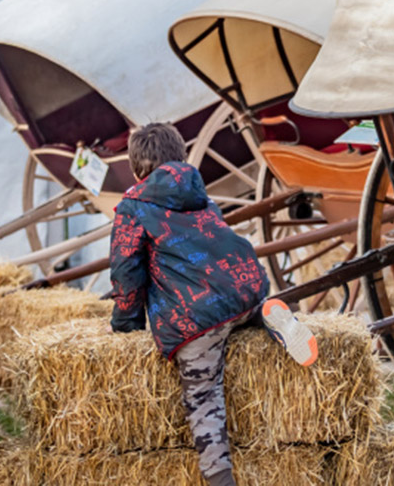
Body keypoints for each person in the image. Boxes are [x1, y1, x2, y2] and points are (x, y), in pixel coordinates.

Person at [109, 122, 318, 486]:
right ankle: (267, 316)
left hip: (195, 314)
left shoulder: (134, 206)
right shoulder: (200, 194)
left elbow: (126, 270)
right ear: (181, 157)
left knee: (205, 399)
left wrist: (126, 322)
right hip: (242, 288)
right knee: (238, 308)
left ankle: (220, 480)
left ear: (137, 167)